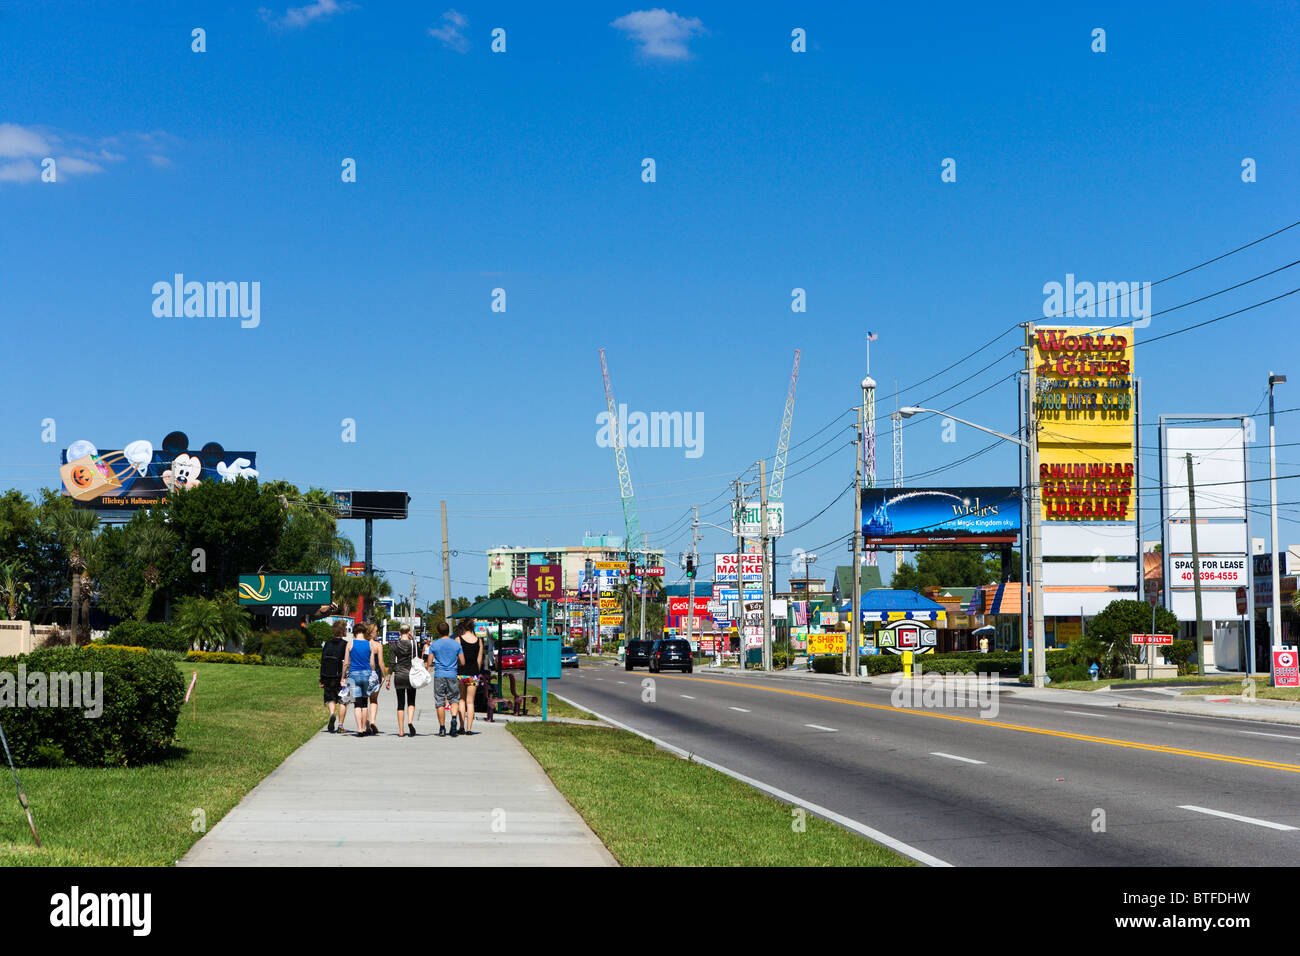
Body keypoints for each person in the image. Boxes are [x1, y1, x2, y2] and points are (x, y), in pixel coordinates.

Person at [426, 621, 465, 737]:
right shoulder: (457, 645)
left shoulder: (434, 645)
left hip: (439, 675)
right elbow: (463, 662)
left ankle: (442, 728)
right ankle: (453, 718)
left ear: (438, 632)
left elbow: (429, 662)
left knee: (440, 701)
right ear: (448, 631)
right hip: (452, 675)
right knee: (454, 699)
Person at [346, 625, 379, 736]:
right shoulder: (369, 644)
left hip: (354, 675)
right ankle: (365, 728)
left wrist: (342, 677)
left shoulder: (350, 644)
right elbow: (372, 663)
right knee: (365, 703)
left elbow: (346, 662)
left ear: (354, 632)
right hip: (366, 674)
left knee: (357, 704)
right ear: (364, 632)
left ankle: (359, 728)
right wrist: (373, 673)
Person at [388, 623, 419, 737]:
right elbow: (416, 658)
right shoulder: (413, 644)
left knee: (400, 704)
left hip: (399, 675)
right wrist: (413, 640)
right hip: (411, 676)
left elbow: (392, 663)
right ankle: (410, 721)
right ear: (409, 632)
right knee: (411, 701)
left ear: (399, 633)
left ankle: (401, 731)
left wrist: (388, 678)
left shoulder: (394, 645)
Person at [320, 620, 351, 733]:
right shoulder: (345, 644)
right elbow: (347, 662)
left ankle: (332, 714)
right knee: (343, 701)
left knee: (330, 698)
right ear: (343, 631)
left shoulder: (327, 644)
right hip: (341, 676)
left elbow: (322, 661)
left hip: (328, 675)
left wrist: (322, 678)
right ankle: (340, 726)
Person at [457, 621, 483, 735]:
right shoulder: (479, 641)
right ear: (473, 627)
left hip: (461, 673)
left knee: (461, 700)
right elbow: (479, 660)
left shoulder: (458, 640)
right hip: (473, 674)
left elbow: (456, 657)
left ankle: (461, 726)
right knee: (470, 702)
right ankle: (469, 728)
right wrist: (477, 672)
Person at [366, 623, 387, 733]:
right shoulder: (378, 646)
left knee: (363, 699)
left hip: (364, 672)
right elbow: (381, 662)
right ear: (371, 632)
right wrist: (384, 675)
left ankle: (367, 721)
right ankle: (373, 721)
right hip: (375, 673)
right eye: (376, 631)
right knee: (374, 699)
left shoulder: (362, 644)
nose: (377, 633)